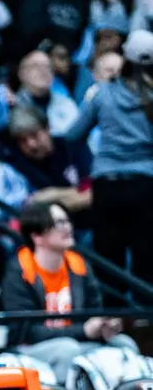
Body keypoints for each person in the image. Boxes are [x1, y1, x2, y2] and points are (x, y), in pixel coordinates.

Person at [1, 200, 136, 381]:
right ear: (37, 236)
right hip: (31, 348)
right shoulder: (20, 270)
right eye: (58, 223)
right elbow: (25, 331)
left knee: (125, 344)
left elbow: (94, 310)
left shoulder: (78, 265)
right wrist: (84, 331)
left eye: (67, 221)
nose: (67, 227)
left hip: (78, 341)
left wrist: (104, 326)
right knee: (66, 349)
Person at [66, 29, 153, 291]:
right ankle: (144, 321)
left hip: (108, 184)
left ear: (126, 56)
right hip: (146, 186)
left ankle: (112, 319)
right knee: (146, 257)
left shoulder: (101, 93)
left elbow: (73, 134)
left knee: (109, 259)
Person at [7, 105, 92, 215]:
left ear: (47, 128)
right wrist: (70, 194)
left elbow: (90, 195)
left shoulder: (73, 147)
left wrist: (53, 194)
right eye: (23, 140)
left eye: (34, 135)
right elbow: (28, 205)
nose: (31, 144)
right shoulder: (19, 165)